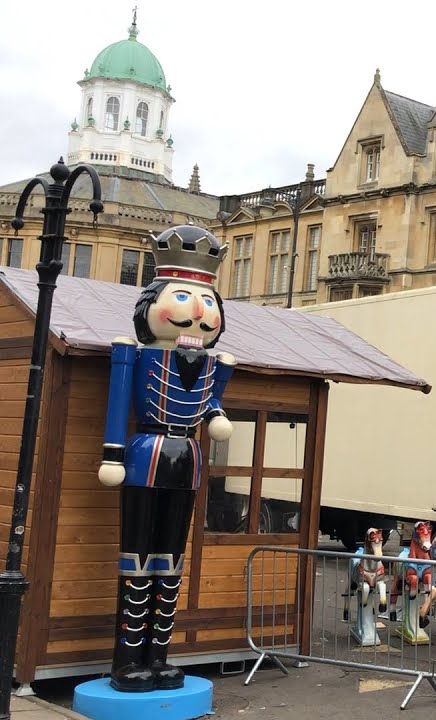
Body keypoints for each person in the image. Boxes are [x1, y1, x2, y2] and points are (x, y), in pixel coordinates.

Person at [97, 225, 236, 692]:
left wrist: (216, 411)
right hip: (146, 453)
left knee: (171, 560)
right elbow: (119, 404)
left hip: (188, 458)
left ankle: (159, 656)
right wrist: (112, 452)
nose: (198, 311)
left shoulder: (216, 364)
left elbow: (209, 402)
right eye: (182, 297)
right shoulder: (133, 354)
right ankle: (126, 661)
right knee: (136, 556)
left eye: (206, 302)